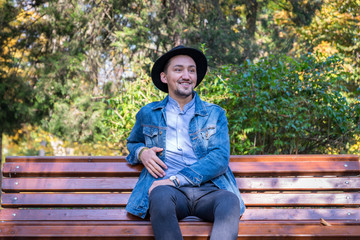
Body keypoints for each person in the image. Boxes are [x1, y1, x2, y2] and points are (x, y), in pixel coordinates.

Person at [125, 45, 245, 240]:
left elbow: (220, 158)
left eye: (191, 70)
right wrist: (142, 152)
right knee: (159, 196)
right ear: (164, 77)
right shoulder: (148, 113)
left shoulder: (214, 114)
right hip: (170, 193)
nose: (186, 75)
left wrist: (176, 179)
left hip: (209, 190)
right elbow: (133, 143)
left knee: (230, 201)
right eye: (178, 69)